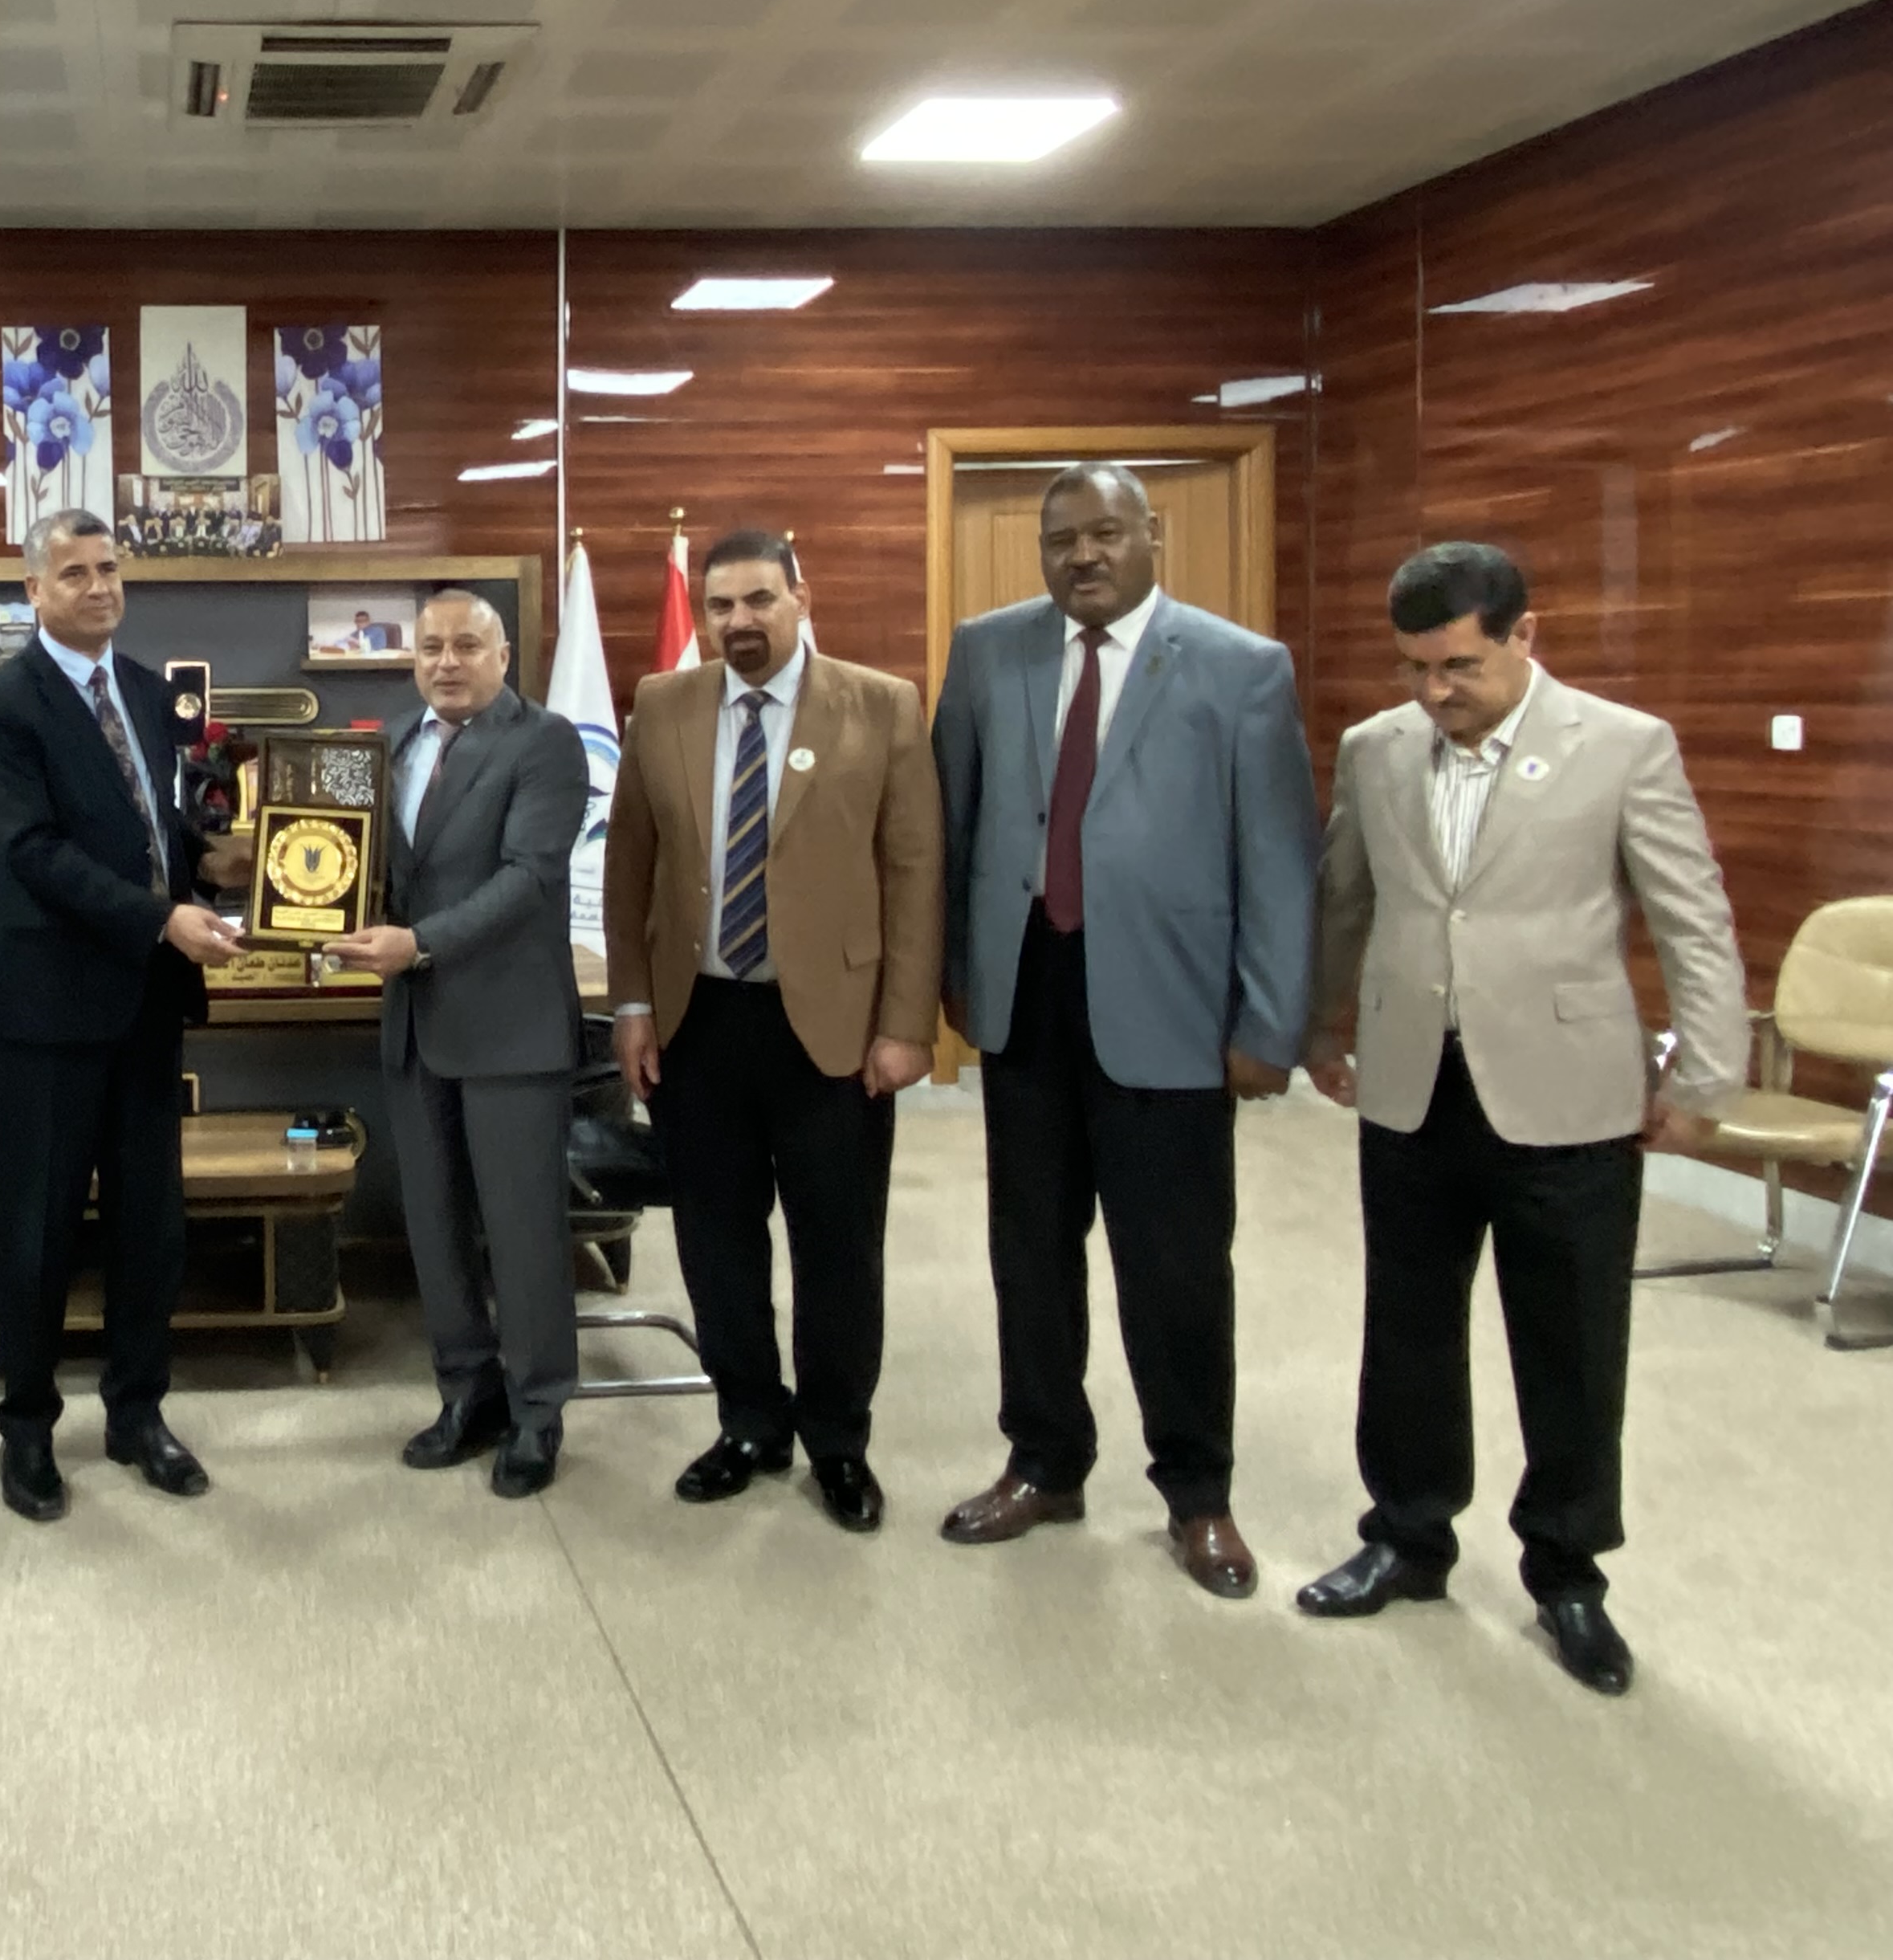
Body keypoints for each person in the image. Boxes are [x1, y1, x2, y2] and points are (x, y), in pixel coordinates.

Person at [1298, 544, 1744, 1697]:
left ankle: (1568, 1571)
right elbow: (1345, 897)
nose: (1435, 691)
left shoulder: (1624, 746)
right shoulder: (1376, 750)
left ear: (1524, 635)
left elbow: (1692, 918)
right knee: (1406, 1326)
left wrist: (1705, 1080)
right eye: (1415, 668)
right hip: (1412, 1085)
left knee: (1572, 1342)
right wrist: (1317, 1026)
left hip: (1567, 1094)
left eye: (1459, 666)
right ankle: (1407, 1535)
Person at [930, 462, 1317, 1597]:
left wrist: (1269, 1022)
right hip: (1026, 998)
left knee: (1176, 1265)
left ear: (1153, 537)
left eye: (1106, 533)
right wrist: (956, 978)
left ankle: (1198, 1494)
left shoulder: (1242, 668)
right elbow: (952, 828)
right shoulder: (988, 651)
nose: (1084, 556)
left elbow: (1280, 861)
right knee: (1029, 1254)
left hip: (1174, 1010)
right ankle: (1044, 1463)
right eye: (1061, 540)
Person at [605, 532, 942, 1526]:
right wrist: (632, 1005)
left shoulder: (882, 706)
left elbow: (915, 873)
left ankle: (838, 1441)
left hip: (835, 1029)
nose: (738, 621)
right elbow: (629, 868)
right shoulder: (663, 705)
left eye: (759, 599)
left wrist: (906, 1024)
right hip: (699, 1021)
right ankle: (749, 1422)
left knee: (838, 1246)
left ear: (802, 598)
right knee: (717, 1243)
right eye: (720, 606)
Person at [0, 508, 246, 1522]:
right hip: (45, 1002)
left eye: (109, 568)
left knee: (148, 1221)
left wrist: (217, 865)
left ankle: (137, 1414)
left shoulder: (150, 692)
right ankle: (28, 1430)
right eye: (73, 573)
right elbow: (32, 851)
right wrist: (163, 917)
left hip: (146, 1001)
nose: (98, 587)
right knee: (36, 1227)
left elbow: (153, 827)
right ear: (34, 591)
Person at [328, 591, 589, 1496]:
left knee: (523, 1236)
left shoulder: (545, 743)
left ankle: (538, 1412)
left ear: (502, 655)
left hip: (510, 1027)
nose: (447, 662)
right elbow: (369, 859)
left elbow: (529, 878)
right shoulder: (398, 740)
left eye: (467, 645)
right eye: (431, 647)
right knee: (435, 1230)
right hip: (415, 1027)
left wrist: (420, 944)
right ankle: (466, 1393)